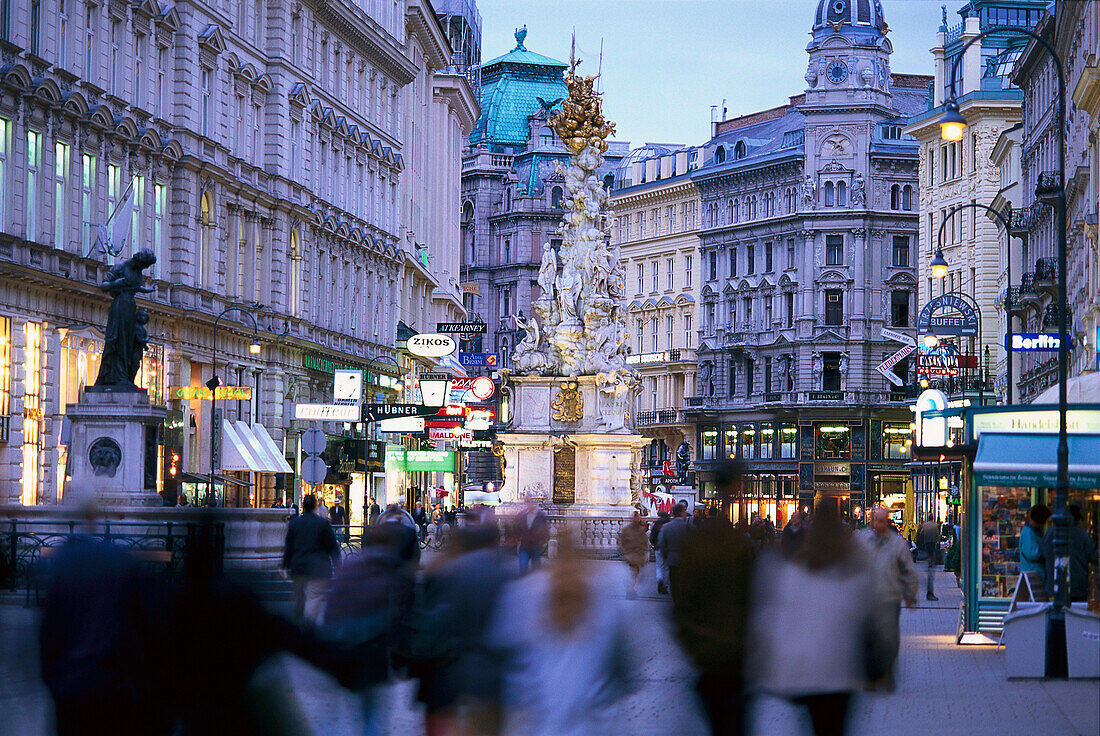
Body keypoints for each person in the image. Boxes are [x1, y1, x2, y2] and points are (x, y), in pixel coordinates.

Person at [749, 501, 883, 736]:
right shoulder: (852, 571)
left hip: (804, 672)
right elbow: (869, 615)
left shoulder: (790, 571)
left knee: (812, 725)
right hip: (841, 671)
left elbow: (771, 619)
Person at [490, 527, 633, 736]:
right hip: (591, 721)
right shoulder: (602, 593)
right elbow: (622, 667)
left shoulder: (525, 591)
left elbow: (504, 652)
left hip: (539, 720)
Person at [410, 512, 513, 736]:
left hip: (442, 679)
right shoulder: (504, 574)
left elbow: (424, 623)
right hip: (487, 680)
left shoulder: (440, 571)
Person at [674, 460, 753, 736]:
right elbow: (754, 601)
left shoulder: (695, 542)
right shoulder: (739, 546)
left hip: (707, 656)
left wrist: (694, 644)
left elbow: (681, 602)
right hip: (736, 658)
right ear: (737, 485)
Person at [859, 506, 918, 690]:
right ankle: (870, 677)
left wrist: (910, 594)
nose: (879, 525)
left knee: (890, 639)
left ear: (888, 522)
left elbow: (909, 571)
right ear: (871, 521)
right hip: (867, 599)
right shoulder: (862, 541)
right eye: (876, 520)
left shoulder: (897, 544)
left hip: (889, 597)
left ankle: (887, 673)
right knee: (868, 638)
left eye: (883, 521)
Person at [281, 494, 342, 624]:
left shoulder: (294, 523)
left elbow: (289, 546)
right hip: (318, 568)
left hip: (298, 566)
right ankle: (307, 630)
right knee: (313, 598)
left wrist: (284, 565)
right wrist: (339, 566)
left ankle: (299, 626)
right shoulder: (323, 523)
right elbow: (332, 547)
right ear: (315, 506)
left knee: (300, 599)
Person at [1040, 505, 1098, 603]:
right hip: (1078, 587)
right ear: (1077, 519)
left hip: (1055, 585)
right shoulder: (1083, 536)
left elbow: (1043, 554)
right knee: (1076, 615)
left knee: (1056, 613)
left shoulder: (1050, 534)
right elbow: (1094, 557)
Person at [657, 503, 691, 603]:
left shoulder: (667, 527)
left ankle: (675, 601)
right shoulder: (688, 527)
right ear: (681, 512)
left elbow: (661, 544)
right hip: (685, 560)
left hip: (672, 559)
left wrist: (666, 556)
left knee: (674, 582)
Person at [514, 496, 550, 573]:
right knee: (523, 566)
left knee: (536, 566)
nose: (529, 504)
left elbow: (545, 529)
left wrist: (543, 541)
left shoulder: (541, 515)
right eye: (527, 502)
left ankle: (534, 582)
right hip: (524, 544)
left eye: (530, 502)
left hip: (536, 544)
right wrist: (518, 538)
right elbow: (516, 527)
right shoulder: (521, 515)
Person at [618, 511, 649, 599]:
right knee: (633, 573)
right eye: (637, 517)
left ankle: (631, 589)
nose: (638, 519)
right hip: (632, 555)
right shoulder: (628, 529)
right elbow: (622, 542)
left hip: (636, 555)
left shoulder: (639, 529)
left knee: (634, 573)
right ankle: (631, 589)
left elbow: (644, 542)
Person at [1018, 504, 1050, 577]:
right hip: (1032, 574)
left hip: (1036, 574)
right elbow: (1032, 554)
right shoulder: (1028, 532)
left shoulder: (1034, 532)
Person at [915, 513, 941, 601]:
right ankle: (931, 562)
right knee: (931, 565)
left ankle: (929, 562)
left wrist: (921, 544)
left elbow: (920, 535)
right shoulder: (935, 526)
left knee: (929, 564)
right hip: (932, 545)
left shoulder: (924, 525)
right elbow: (938, 536)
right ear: (933, 518)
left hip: (926, 544)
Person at [650, 511, 671, 595]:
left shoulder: (656, 525)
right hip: (667, 549)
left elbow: (652, 537)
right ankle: (665, 586)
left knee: (659, 566)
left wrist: (654, 544)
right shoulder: (669, 525)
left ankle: (659, 580)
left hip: (658, 548)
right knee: (666, 567)